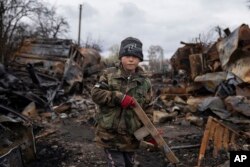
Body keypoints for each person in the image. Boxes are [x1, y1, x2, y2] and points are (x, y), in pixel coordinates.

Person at [91, 37, 153, 167]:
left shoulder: (145, 82)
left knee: (129, 164)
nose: (131, 59)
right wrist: (119, 98)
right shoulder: (108, 74)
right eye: (127, 56)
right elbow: (96, 94)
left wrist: (149, 134)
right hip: (109, 135)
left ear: (140, 59)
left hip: (130, 138)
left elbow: (148, 109)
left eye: (135, 56)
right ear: (121, 57)